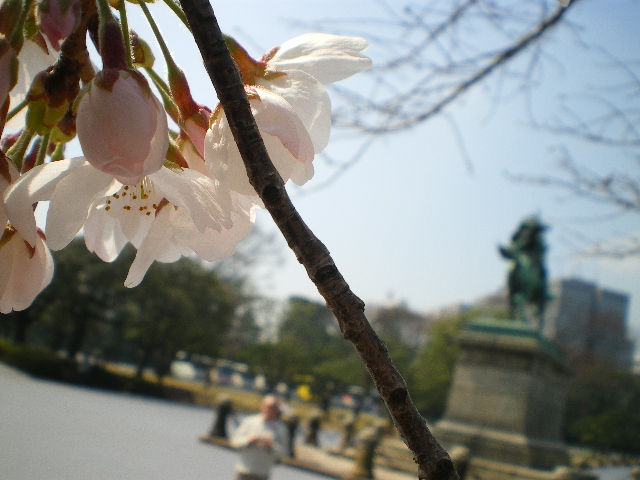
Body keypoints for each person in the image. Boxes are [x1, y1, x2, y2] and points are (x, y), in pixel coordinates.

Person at [230, 394, 289, 480]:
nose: (269, 409)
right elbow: (235, 441)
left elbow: (284, 453)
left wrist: (271, 446)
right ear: (262, 406)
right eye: (267, 406)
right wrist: (248, 441)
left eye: (273, 407)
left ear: (277, 410)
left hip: (262, 475)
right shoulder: (250, 421)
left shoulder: (281, 428)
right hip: (243, 472)